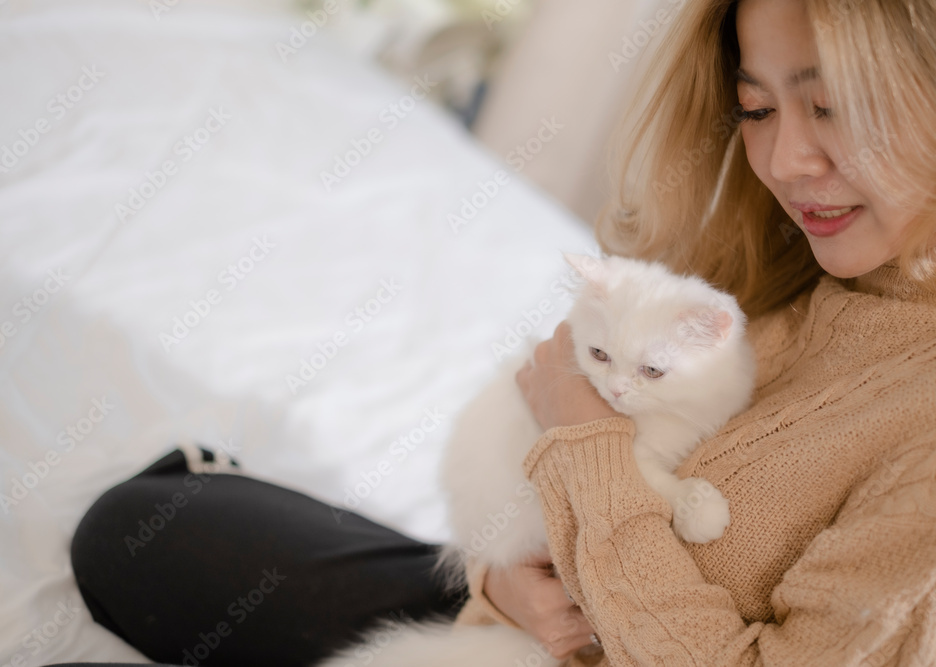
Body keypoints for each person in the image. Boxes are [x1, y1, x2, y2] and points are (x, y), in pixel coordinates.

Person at [63, 0, 936, 665]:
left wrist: (580, 435)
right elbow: (601, 493)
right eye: (756, 110)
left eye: (831, 109)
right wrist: (507, 579)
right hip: (528, 626)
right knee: (139, 528)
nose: (785, 162)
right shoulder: (809, 267)